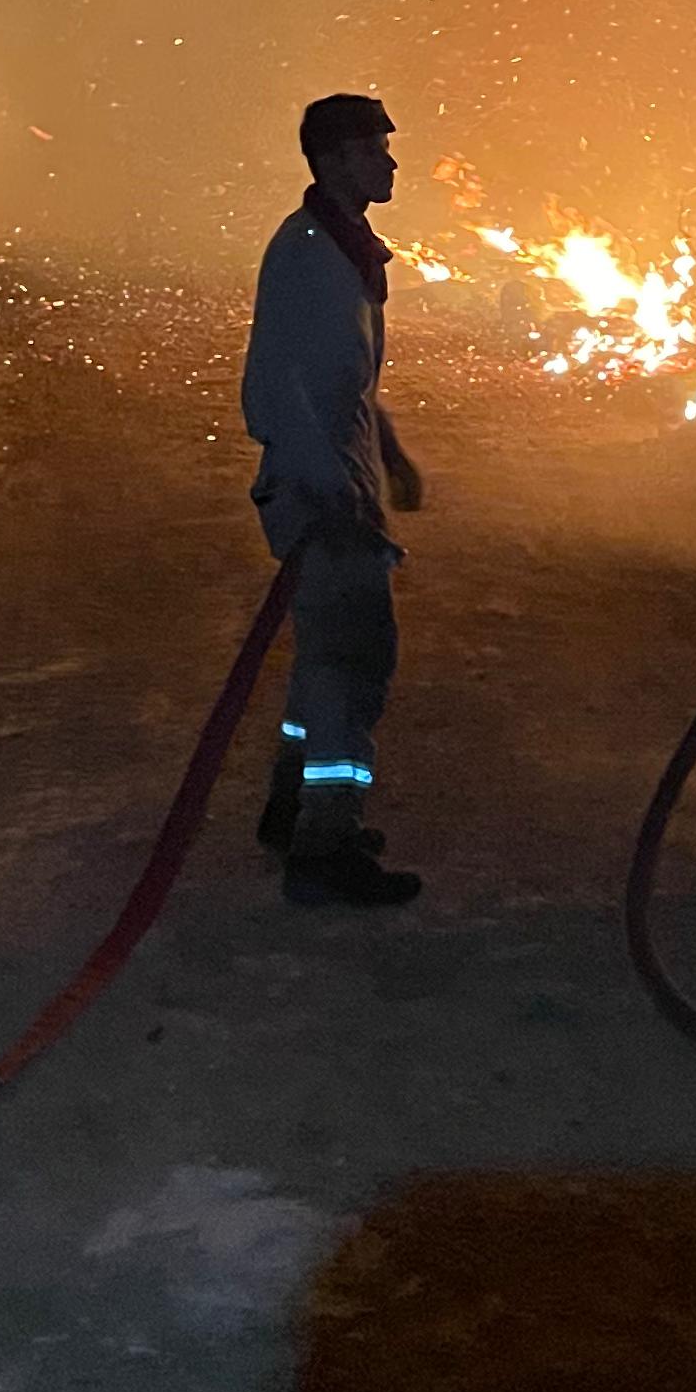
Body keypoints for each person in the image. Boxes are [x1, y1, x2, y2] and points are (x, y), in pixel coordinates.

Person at [242, 91, 426, 909]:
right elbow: (273, 391)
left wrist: (391, 454)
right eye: (375, 149)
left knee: (325, 658)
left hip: (339, 486)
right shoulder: (309, 257)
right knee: (354, 665)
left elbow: (344, 385)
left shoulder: (341, 252)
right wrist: (330, 488)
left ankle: (291, 805)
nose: (391, 162)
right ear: (335, 160)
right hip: (323, 498)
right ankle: (326, 841)